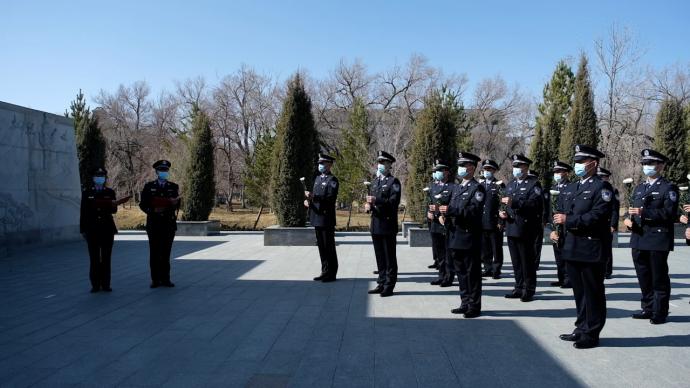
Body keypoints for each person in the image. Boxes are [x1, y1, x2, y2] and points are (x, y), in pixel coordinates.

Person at [554, 144, 613, 349]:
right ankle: (581, 327)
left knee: (593, 292)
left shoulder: (602, 187)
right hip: (572, 247)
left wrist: (568, 220)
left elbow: (598, 216)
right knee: (579, 292)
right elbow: (563, 211)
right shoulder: (575, 186)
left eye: (581, 161)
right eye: (576, 161)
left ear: (593, 164)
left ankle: (592, 332)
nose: (577, 165)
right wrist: (558, 229)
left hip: (590, 248)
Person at [623, 149, 679, 325]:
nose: (647, 167)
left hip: (657, 239)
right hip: (639, 238)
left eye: (651, 164)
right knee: (643, 275)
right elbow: (632, 209)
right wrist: (627, 219)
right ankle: (647, 307)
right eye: (645, 164)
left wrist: (644, 212)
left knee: (658, 277)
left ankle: (660, 311)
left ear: (661, 166)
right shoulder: (640, 188)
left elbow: (669, 213)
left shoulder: (668, 188)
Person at [441, 152, 485, 318]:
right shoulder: (458, 187)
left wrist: (452, 210)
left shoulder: (477, 188)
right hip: (455, 236)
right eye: (459, 165)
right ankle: (465, 301)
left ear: (472, 168)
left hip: (469, 237)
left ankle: (474, 305)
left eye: (463, 165)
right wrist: (444, 216)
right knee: (460, 272)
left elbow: (474, 211)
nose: (460, 168)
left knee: (472, 273)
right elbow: (453, 208)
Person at [499, 154, 543, 302]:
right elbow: (506, 203)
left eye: (519, 166)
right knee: (516, 261)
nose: (516, 169)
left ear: (526, 167)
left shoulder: (534, 184)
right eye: (514, 166)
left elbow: (534, 205)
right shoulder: (511, 184)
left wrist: (514, 202)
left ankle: (528, 289)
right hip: (511, 227)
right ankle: (518, 287)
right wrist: (503, 213)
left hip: (525, 228)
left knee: (527, 261)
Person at [139, 160, 180, 288]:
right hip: (154, 224)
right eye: (161, 170)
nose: (164, 172)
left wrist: (174, 203)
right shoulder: (149, 186)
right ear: (157, 172)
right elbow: (143, 204)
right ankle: (155, 280)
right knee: (155, 253)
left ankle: (166, 279)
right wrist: (152, 210)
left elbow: (178, 204)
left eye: (166, 170)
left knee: (166, 253)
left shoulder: (173, 186)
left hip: (168, 224)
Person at [366, 151, 401, 297]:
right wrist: (368, 206)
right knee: (379, 256)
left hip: (387, 224)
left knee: (389, 256)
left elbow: (393, 203)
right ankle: (381, 282)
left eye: (383, 163)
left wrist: (376, 201)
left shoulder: (394, 182)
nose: (380, 165)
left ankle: (389, 285)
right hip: (376, 224)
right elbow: (372, 201)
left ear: (389, 165)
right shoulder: (374, 182)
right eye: (379, 162)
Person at [80, 167, 119, 293]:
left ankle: (106, 283)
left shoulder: (110, 192)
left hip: (107, 229)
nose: (100, 178)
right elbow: (83, 212)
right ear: (93, 178)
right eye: (98, 175)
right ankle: (95, 284)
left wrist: (112, 205)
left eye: (102, 176)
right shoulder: (87, 193)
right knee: (94, 258)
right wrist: (83, 230)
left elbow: (114, 210)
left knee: (106, 258)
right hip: (92, 230)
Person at [305, 153, 339, 282]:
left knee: (328, 246)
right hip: (316, 217)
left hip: (326, 218)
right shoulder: (318, 178)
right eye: (319, 163)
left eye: (322, 163)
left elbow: (330, 198)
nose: (320, 165)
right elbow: (315, 197)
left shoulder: (333, 180)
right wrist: (308, 201)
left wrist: (314, 197)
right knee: (321, 247)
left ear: (329, 165)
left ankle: (332, 273)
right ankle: (324, 271)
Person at [428, 159, 454, 287]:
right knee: (439, 253)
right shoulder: (434, 186)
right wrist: (429, 213)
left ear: (447, 172)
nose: (437, 173)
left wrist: (443, 214)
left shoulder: (453, 187)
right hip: (435, 224)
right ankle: (441, 275)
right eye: (436, 171)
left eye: (440, 170)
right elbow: (431, 203)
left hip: (446, 224)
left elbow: (453, 205)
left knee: (447, 253)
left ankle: (449, 277)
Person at [548, 161, 573, 288]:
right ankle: (561, 277)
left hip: (566, 225)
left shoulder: (571, 187)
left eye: (559, 172)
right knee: (558, 253)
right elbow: (549, 211)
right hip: (555, 226)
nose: (556, 174)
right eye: (555, 172)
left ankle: (569, 279)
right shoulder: (553, 188)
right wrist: (550, 230)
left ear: (566, 173)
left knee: (566, 253)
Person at [479, 159, 504, 280]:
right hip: (482, 222)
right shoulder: (480, 185)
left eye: (489, 169)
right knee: (485, 248)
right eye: (485, 169)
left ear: (494, 171)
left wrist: (501, 221)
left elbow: (503, 205)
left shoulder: (499, 185)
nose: (486, 171)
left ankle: (496, 269)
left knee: (496, 247)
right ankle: (487, 268)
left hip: (494, 222)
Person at [596, 167, 620, 279]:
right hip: (596, 224)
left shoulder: (612, 191)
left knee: (607, 248)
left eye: (602, 177)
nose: (600, 179)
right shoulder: (596, 189)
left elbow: (615, 209)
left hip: (607, 223)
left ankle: (607, 270)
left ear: (607, 177)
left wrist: (613, 225)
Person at [528, 169, 547, 270]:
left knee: (536, 243)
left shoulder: (538, 188)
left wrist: (543, 219)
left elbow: (543, 205)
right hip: (528, 220)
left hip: (537, 219)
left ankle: (535, 263)